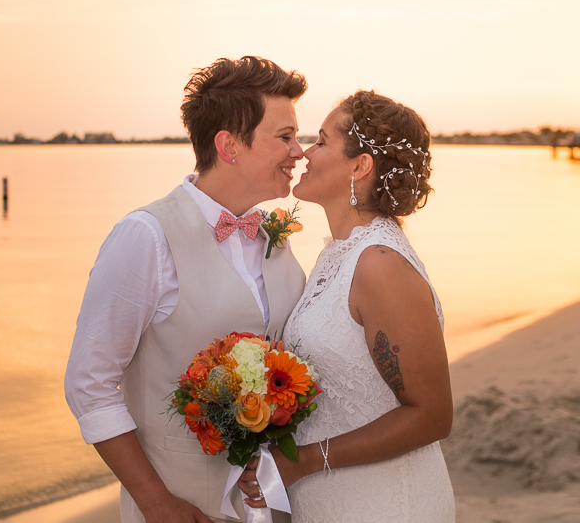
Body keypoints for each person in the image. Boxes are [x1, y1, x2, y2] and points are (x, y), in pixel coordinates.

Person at [64, 56, 308, 523]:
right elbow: (88, 385)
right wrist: (157, 503)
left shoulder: (273, 236)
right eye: (285, 137)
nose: (300, 151)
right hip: (180, 507)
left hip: (275, 507)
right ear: (229, 146)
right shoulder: (146, 236)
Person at [238, 89, 456, 521]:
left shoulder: (380, 265)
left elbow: (432, 415)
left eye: (320, 141)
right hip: (330, 498)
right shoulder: (339, 252)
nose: (303, 153)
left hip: (385, 503)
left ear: (360, 165)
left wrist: (303, 460)